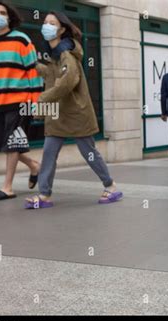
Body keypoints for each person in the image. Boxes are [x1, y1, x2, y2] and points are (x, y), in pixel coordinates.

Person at [24, 11, 122, 209]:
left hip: (77, 113)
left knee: (89, 152)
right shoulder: (54, 55)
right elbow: (52, 75)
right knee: (49, 152)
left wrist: (42, 98)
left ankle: (111, 186)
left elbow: (67, 82)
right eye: (45, 22)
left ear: (61, 29)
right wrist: (34, 66)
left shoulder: (67, 54)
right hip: (58, 114)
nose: (47, 26)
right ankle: (44, 195)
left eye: (52, 23)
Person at [0, 1, 43, 201]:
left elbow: (34, 72)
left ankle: (7, 187)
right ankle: (33, 165)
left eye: (2, 12)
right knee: (2, 145)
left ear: (9, 17)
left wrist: (35, 103)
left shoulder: (22, 40)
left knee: (12, 144)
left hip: (20, 102)